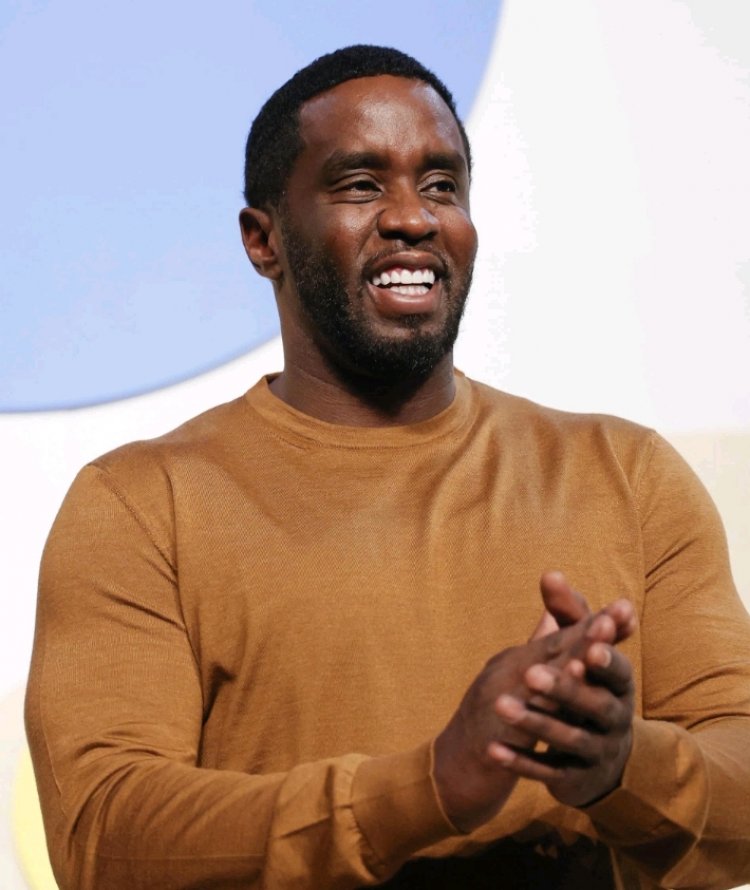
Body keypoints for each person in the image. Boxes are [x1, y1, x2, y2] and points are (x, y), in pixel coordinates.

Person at [26, 45, 750, 890]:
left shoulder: (627, 474)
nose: (413, 218)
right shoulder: (142, 504)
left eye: (441, 185)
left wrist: (621, 765)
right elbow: (105, 838)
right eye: (361, 185)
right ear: (264, 240)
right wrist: (431, 785)